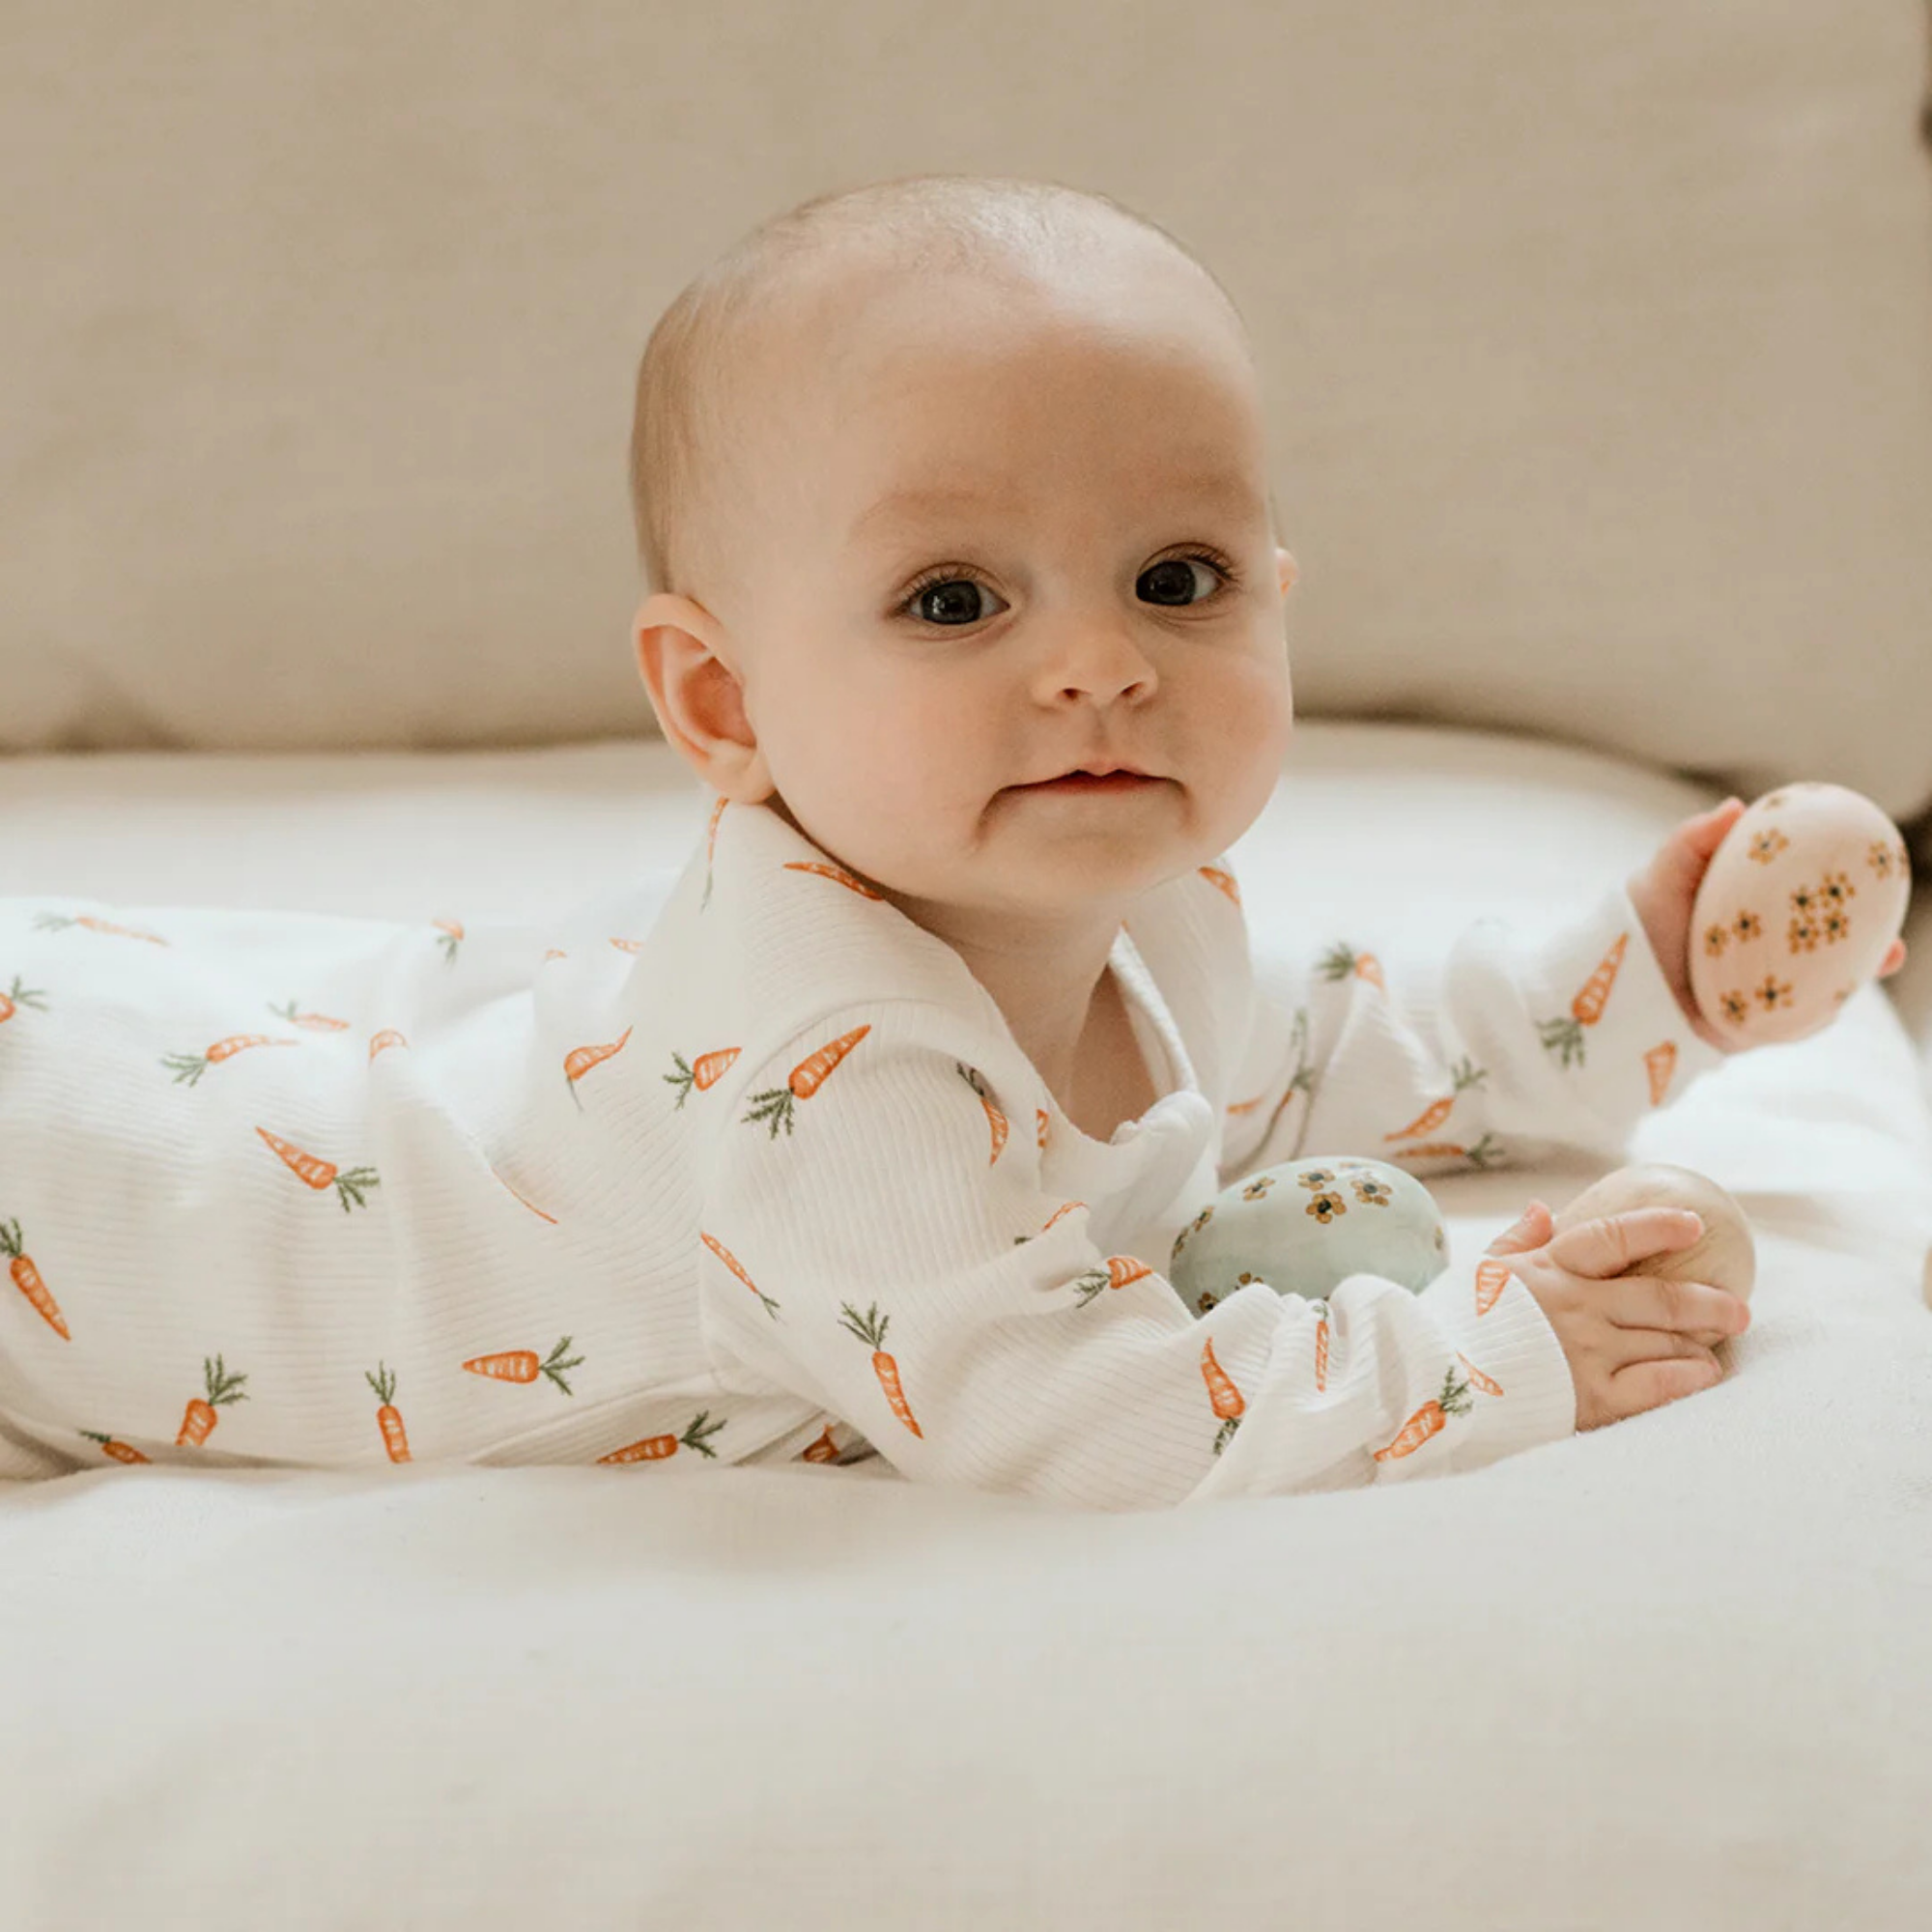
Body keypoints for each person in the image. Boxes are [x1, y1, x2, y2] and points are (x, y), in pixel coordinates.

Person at [0, 173, 1905, 1500]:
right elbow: (1086, 1415)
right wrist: (1499, 1350)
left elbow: (1327, 1048)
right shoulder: (835, 1084)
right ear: (725, 709)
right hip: (80, 1212)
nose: (1098, 664)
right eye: (949, 602)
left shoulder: (1120, 892)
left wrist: (1637, 982)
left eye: (1177, 577)